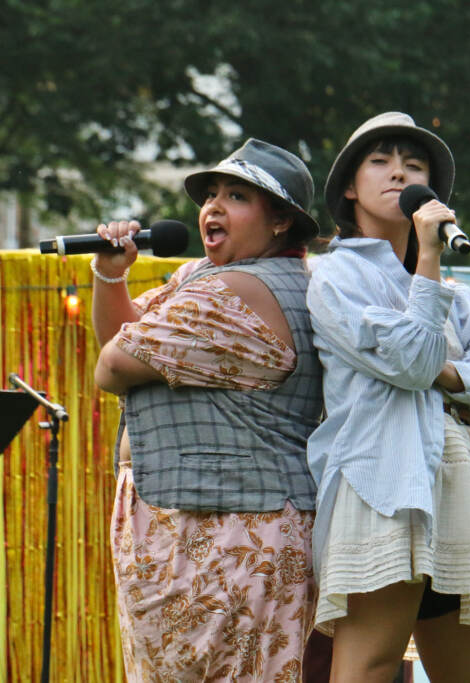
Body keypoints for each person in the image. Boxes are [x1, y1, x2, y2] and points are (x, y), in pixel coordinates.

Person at [306, 112, 470, 682]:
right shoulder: (336, 276)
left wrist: (448, 376)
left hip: (456, 484)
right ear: (350, 188)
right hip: (381, 486)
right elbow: (412, 359)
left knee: (468, 670)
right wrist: (428, 267)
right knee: (370, 664)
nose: (398, 173)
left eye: (413, 165)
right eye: (379, 161)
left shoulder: (464, 303)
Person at [92, 138, 324, 681]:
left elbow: (112, 366)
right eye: (211, 194)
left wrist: (128, 343)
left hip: (231, 532)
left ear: (281, 222)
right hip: (194, 526)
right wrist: (110, 273)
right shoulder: (203, 278)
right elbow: (123, 338)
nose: (213, 207)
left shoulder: (235, 292)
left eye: (237, 195)